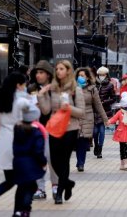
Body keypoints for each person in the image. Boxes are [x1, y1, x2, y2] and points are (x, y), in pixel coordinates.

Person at [37, 60, 85, 204]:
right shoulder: (52, 89)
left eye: (61, 69)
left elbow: (81, 112)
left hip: (70, 128)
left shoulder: (76, 90)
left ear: (68, 71)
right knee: (54, 160)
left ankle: (59, 193)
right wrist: (41, 94)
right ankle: (68, 183)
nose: (58, 71)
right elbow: (46, 110)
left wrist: (69, 108)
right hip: (54, 128)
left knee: (64, 161)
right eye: (57, 69)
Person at [0, 72, 29, 207]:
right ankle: (20, 210)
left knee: (10, 180)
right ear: (18, 85)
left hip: (3, 144)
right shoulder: (21, 102)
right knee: (24, 181)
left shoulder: (0, 104)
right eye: (24, 84)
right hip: (18, 144)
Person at [27, 60, 58, 200]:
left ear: (48, 74)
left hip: (52, 128)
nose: (38, 75)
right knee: (37, 159)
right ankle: (39, 188)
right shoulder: (31, 88)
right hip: (35, 129)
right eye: (37, 73)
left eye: (41, 73)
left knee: (52, 159)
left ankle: (56, 186)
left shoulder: (55, 89)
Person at [12, 102, 47, 217]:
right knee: (31, 187)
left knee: (21, 187)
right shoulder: (36, 132)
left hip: (18, 163)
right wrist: (43, 162)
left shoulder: (17, 129)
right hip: (32, 164)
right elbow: (38, 150)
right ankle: (25, 209)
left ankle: (17, 210)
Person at [74, 68, 108, 172]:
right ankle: (79, 159)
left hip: (87, 116)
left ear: (88, 77)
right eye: (79, 75)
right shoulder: (73, 88)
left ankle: (81, 163)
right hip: (75, 116)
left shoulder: (92, 89)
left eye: (83, 75)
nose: (81, 77)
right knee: (76, 140)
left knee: (84, 140)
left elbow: (98, 105)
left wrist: (105, 119)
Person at [108, 92, 127, 171]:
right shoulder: (119, 112)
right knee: (122, 148)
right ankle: (122, 163)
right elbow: (114, 118)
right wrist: (108, 121)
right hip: (121, 133)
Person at [94, 66, 116, 159]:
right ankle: (96, 145)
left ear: (106, 75)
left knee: (102, 131)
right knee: (95, 132)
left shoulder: (110, 85)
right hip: (94, 111)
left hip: (105, 111)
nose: (101, 76)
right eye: (100, 75)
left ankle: (100, 149)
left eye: (103, 75)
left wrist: (104, 102)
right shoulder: (94, 84)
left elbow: (114, 98)